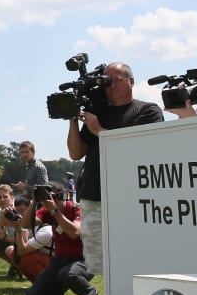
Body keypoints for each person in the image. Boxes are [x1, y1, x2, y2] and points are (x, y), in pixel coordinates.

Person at [67, 62, 162, 276]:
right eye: (106, 82)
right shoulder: (98, 113)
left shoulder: (147, 110)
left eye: (115, 80)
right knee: (96, 257)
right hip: (94, 192)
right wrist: (73, 119)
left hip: (131, 194)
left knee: (133, 251)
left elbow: (137, 148)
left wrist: (99, 130)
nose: (110, 86)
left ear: (131, 81)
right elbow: (75, 153)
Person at [24, 181, 98, 295]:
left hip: (85, 259)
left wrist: (55, 211)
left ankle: (91, 294)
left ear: (63, 196)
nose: (49, 201)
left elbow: (74, 232)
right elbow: (25, 224)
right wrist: (34, 202)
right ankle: (56, 294)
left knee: (68, 274)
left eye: (51, 197)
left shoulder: (76, 209)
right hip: (60, 260)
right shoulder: (47, 211)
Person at [6, 195, 52, 283]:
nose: (20, 214)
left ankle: (46, 284)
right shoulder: (25, 223)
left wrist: (19, 229)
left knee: (24, 257)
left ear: (31, 209)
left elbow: (22, 250)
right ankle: (36, 283)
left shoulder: (42, 226)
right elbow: (19, 250)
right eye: (17, 211)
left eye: (23, 211)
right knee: (13, 253)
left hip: (53, 261)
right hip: (41, 254)